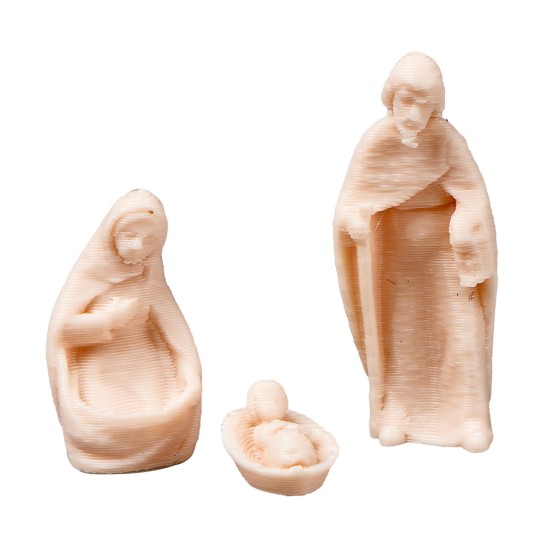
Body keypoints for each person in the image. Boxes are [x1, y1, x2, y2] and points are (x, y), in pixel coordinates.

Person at [334, 53, 497, 452]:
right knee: (402, 332)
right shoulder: (377, 141)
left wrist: (467, 220)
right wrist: (355, 222)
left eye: (423, 103)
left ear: (436, 105)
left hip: (446, 253)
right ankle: (399, 411)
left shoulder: (447, 141)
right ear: (391, 98)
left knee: (461, 329)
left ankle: (468, 416)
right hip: (395, 254)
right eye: (406, 100)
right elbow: (349, 205)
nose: (413, 113)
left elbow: (474, 195)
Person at [47, 189, 202, 472]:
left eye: (149, 239)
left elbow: (176, 334)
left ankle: (163, 449)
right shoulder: (88, 278)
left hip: (145, 364)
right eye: (129, 236)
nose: (138, 246)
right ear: (111, 235)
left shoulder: (149, 281)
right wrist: (106, 321)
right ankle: (101, 451)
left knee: (160, 412)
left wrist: (190, 374)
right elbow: (64, 335)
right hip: (99, 365)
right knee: (105, 417)